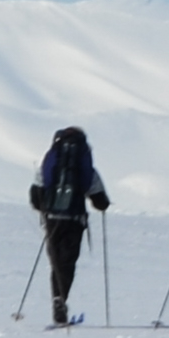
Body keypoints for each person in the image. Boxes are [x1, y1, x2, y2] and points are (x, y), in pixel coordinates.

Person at [30, 125, 113, 327]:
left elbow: (36, 195)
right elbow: (99, 199)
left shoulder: (50, 161)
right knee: (68, 263)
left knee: (56, 263)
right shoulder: (85, 163)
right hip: (75, 219)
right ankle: (61, 298)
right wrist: (102, 204)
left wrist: (46, 207)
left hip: (52, 219)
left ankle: (57, 298)